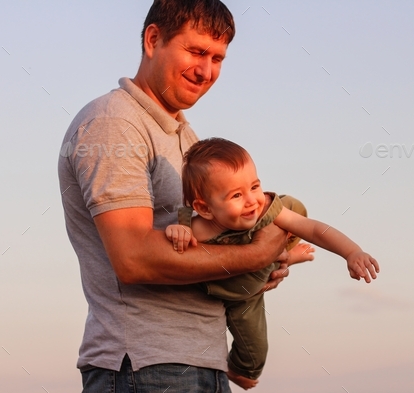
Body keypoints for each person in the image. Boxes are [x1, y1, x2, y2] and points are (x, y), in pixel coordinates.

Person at [58, 1, 299, 392]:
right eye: (196, 51)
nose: (207, 70)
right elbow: (133, 258)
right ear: (154, 39)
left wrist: (250, 271)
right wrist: (256, 254)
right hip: (144, 366)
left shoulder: (186, 137)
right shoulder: (114, 124)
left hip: (199, 361)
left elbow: (208, 245)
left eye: (218, 57)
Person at [165, 137, 380, 390]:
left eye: (254, 186)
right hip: (235, 294)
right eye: (236, 195)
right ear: (205, 208)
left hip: (254, 285)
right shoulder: (198, 228)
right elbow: (168, 248)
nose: (251, 200)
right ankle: (241, 372)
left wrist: (351, 252)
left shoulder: (265, 209)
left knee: (289, 214)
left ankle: (288, 254)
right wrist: (177, 231)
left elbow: (312, 228)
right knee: (254, 350)